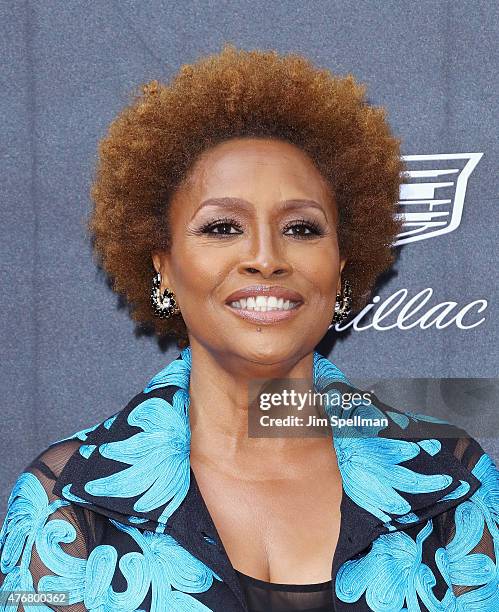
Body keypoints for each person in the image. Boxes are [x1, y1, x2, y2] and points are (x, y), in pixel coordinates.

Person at [0, 45, 497, 612]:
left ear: (342, 264)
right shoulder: (68, 501)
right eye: (223, 227)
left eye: (302, 229)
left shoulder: (453, 482)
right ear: (162, 264)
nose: (265, 257)